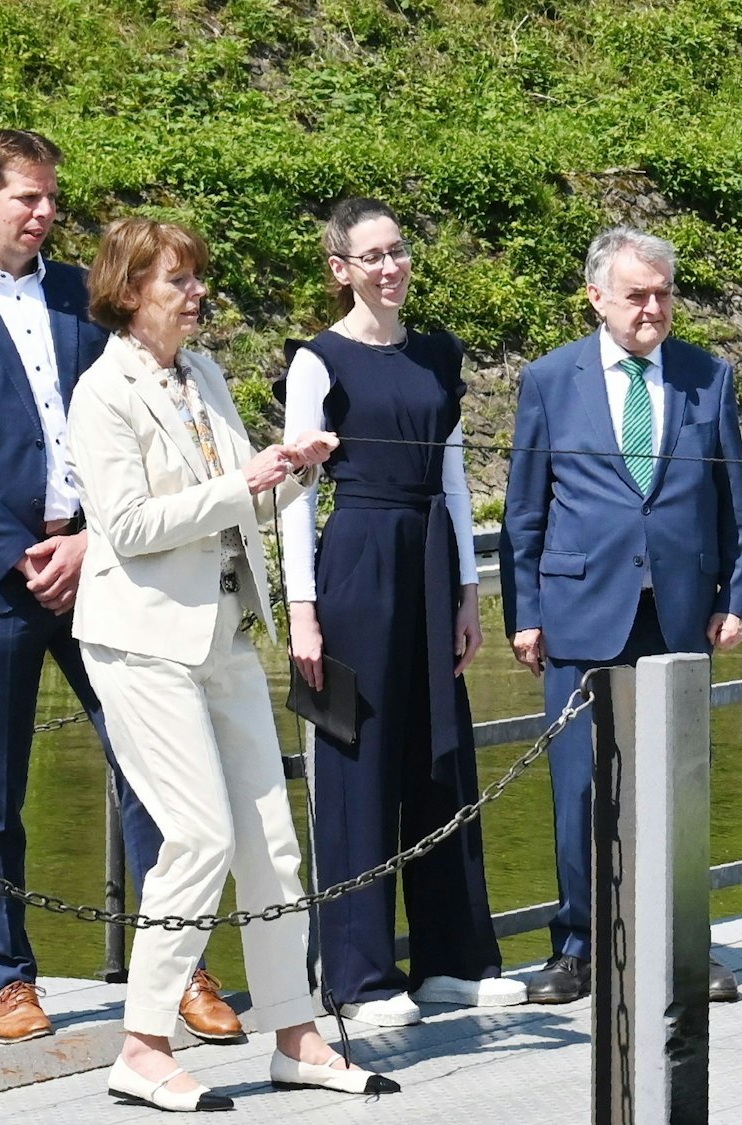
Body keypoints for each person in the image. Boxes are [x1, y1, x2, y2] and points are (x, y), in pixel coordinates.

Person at [0, 129, 241, 1045]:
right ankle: (8, 980)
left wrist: (86, 541)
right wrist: (21, 553)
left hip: (104, 567)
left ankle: (179, 965)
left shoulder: (87, 298)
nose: (44, 213)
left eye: (50, 198)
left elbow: (135, 416)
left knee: (154, 768)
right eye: (27, 198)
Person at [67, 216, 393, 1110]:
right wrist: (242, 482)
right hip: (141, 641)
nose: (197, 292)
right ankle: (142, 1046)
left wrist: (294, 469)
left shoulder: (202, 372)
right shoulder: (102, 393)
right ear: (130, 291)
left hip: (224, 630)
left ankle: (295, 1034)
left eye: (196, 277)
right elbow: (129, 526)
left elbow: (240, 497)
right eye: (178, 280)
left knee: (271, 841)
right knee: (200, 836)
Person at [279, 198, 524, 1026]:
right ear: (341, 269)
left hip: (429, 554)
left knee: (441, 753)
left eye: (399, 251)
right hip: (356, 558)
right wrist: (303, 611)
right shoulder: (318, 362)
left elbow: (452, 475)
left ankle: (454, 958)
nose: (391, 268)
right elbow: (295, 497)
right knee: (357, 758)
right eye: (372, 256)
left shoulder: (436, 354)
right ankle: (357, 974)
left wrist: (468, 590)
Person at [502, 226, 742, 1004]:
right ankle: (578, 946)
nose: (652, 309)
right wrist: (525, 612)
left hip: (679, 612)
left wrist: (737, 595)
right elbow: (524, 511)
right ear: (597, 298)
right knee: (580, 787)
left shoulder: (707, 377)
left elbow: (733, 499)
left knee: (677, 785)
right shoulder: (551, 380)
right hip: (580, 611)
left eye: (662, 294)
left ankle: (681, 945)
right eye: (636, 295)